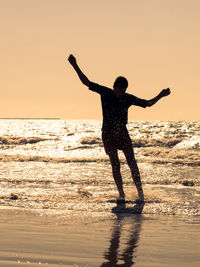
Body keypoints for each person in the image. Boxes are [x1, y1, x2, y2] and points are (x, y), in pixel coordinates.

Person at [68, 54, 171, 202]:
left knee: (132, 162)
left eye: (122, 91)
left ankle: (140, 194)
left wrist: (160, 95)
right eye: (117, 89)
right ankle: (121, 194)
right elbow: (86, 82)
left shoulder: (128, 98)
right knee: (115, 164)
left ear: (125, 90)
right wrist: (75, 65)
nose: (119, 93)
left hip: (122, 133)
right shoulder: (105, 92)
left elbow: (148, 104)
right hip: (108, 133)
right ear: (114, 87)